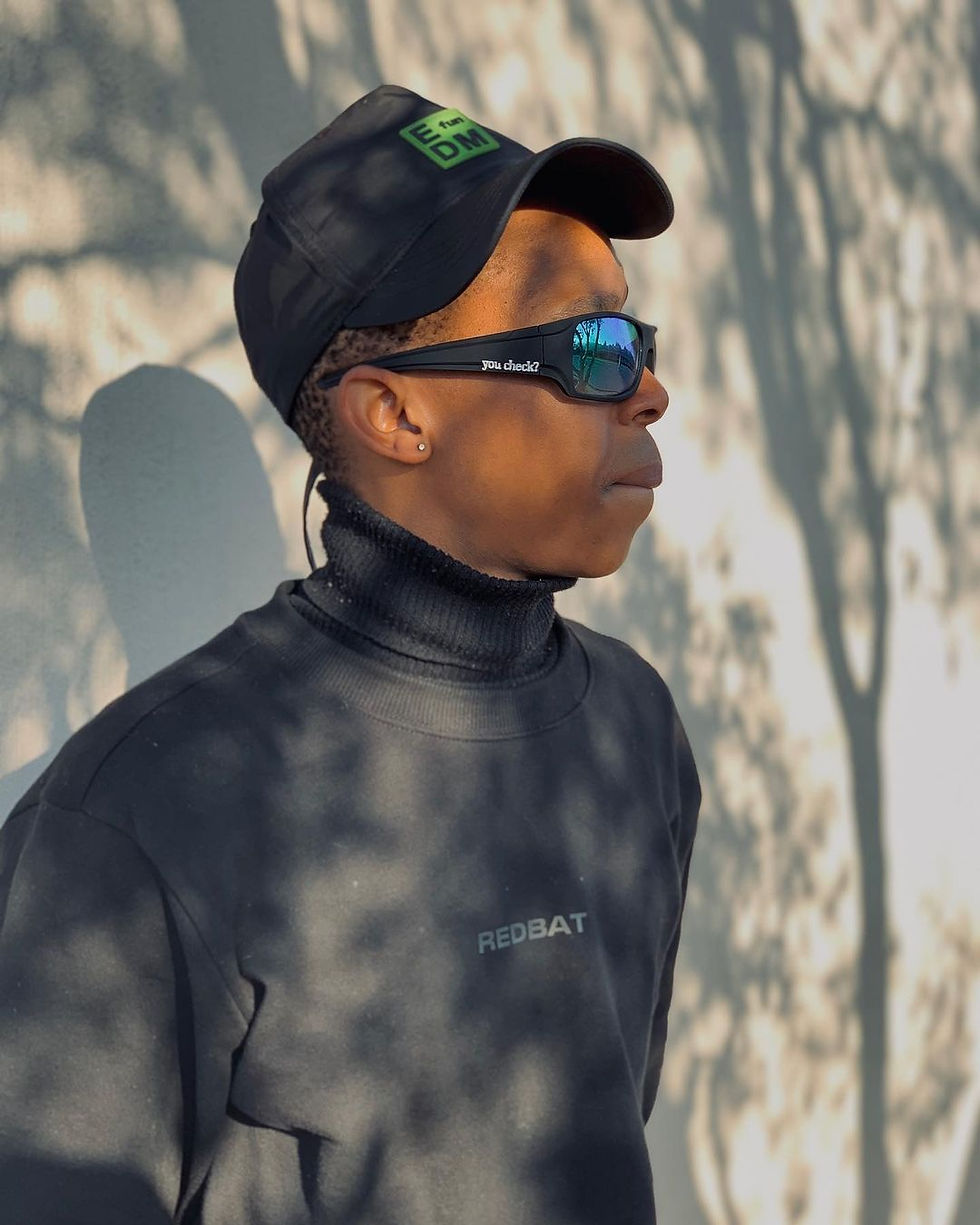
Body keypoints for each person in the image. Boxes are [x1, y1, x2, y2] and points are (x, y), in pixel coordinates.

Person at [0, 84, 701, 1225]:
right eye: (593, 348)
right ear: (394, 416)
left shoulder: (633, 724)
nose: (651, 393)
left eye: (638, 340)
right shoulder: (139, 817)